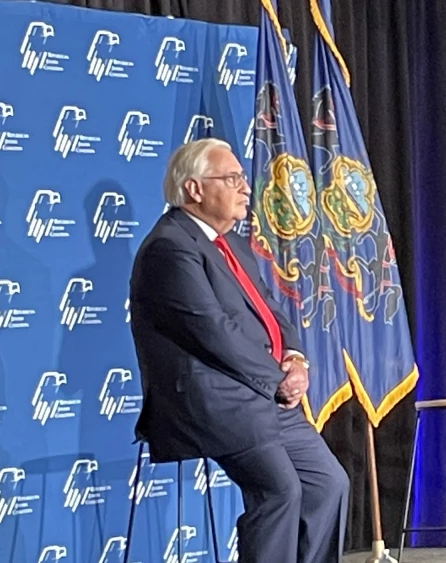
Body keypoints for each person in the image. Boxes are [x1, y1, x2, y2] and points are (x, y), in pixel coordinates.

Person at [129, 138, 350, 563]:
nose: (245, 188)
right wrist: (276, 378)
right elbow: (213, 331)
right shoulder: (170, 247)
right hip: (217, 402)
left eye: (242, 178)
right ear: (194, 189)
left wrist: (296, 359)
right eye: (231, 179)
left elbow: (273, 310)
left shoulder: (230, 245)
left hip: (262, 397)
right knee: (280, 491)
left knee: (328, 483)